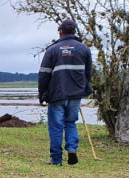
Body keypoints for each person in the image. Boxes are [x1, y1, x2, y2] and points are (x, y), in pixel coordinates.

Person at [38, 19, 93, 166]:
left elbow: (43, 74)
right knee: (70, 123)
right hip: (76, 94)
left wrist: (42, 94)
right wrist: (83, 88)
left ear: (60, 32)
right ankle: (72, 149)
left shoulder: (52, 50)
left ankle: (56, 159)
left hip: (56, 94)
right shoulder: (84, 49)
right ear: (74, 31)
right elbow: (88, 74)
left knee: (56, 126)